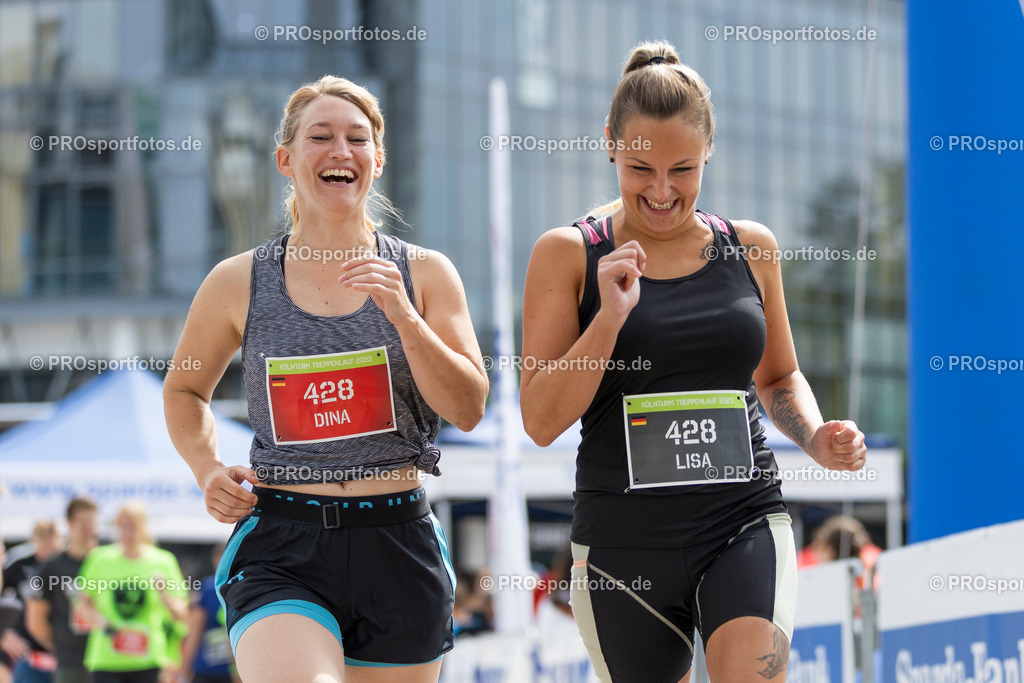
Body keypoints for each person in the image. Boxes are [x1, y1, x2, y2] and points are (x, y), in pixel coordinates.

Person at [520, 40, 867, 682]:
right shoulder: (567, 254)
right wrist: (609, 317)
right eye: (641, 168)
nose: (661, 190)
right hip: (624, 547)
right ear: (609, 144)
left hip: (742, 521)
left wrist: (815, 435)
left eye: (683, 169)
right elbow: (540, 420)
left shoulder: (751, 247)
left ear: (709, 150)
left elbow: (779, 374)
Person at [163, 74, 487, 683]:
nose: (341, 151)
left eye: (357, 140)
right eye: (321, 137)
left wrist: (405, 320)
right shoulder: (236, 282)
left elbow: (468, 406)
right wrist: (206, 468)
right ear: (286, 159)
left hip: (398, 541)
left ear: (378, 161)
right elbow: (184, 390)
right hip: (285, 543)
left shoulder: (426, 275)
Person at [77, 503, 188, 683]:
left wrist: (165, 596)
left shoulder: (163, 561)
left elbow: (182, 615)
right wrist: (102, 623)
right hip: (106, 660)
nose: (127, 532)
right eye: (122, 525)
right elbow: (83, 605)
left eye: (133, 525)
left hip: (148, 660)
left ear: (144, 527)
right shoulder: (99, 559)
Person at [26, 499, 99, 683]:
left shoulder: (107, 562)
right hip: (70, 662)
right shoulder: (52, 567)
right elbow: (35, 620)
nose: (87, 528)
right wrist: (60, 643)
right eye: (81, 521)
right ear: (69, 523)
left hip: (107, 658)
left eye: (91, 521)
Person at [2, 521, 61, 683]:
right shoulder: (19, 565)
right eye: (42, 538)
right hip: (27, 651)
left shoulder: (66, 566)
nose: (48, 544)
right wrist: (3, 634)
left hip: (62, 650)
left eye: (51, 538)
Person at [179, 544, 236, 683]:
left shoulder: (244, 587)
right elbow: (194, 632)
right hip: (207, 670)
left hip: (233, 669)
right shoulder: (209, 588)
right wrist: (185, 671)